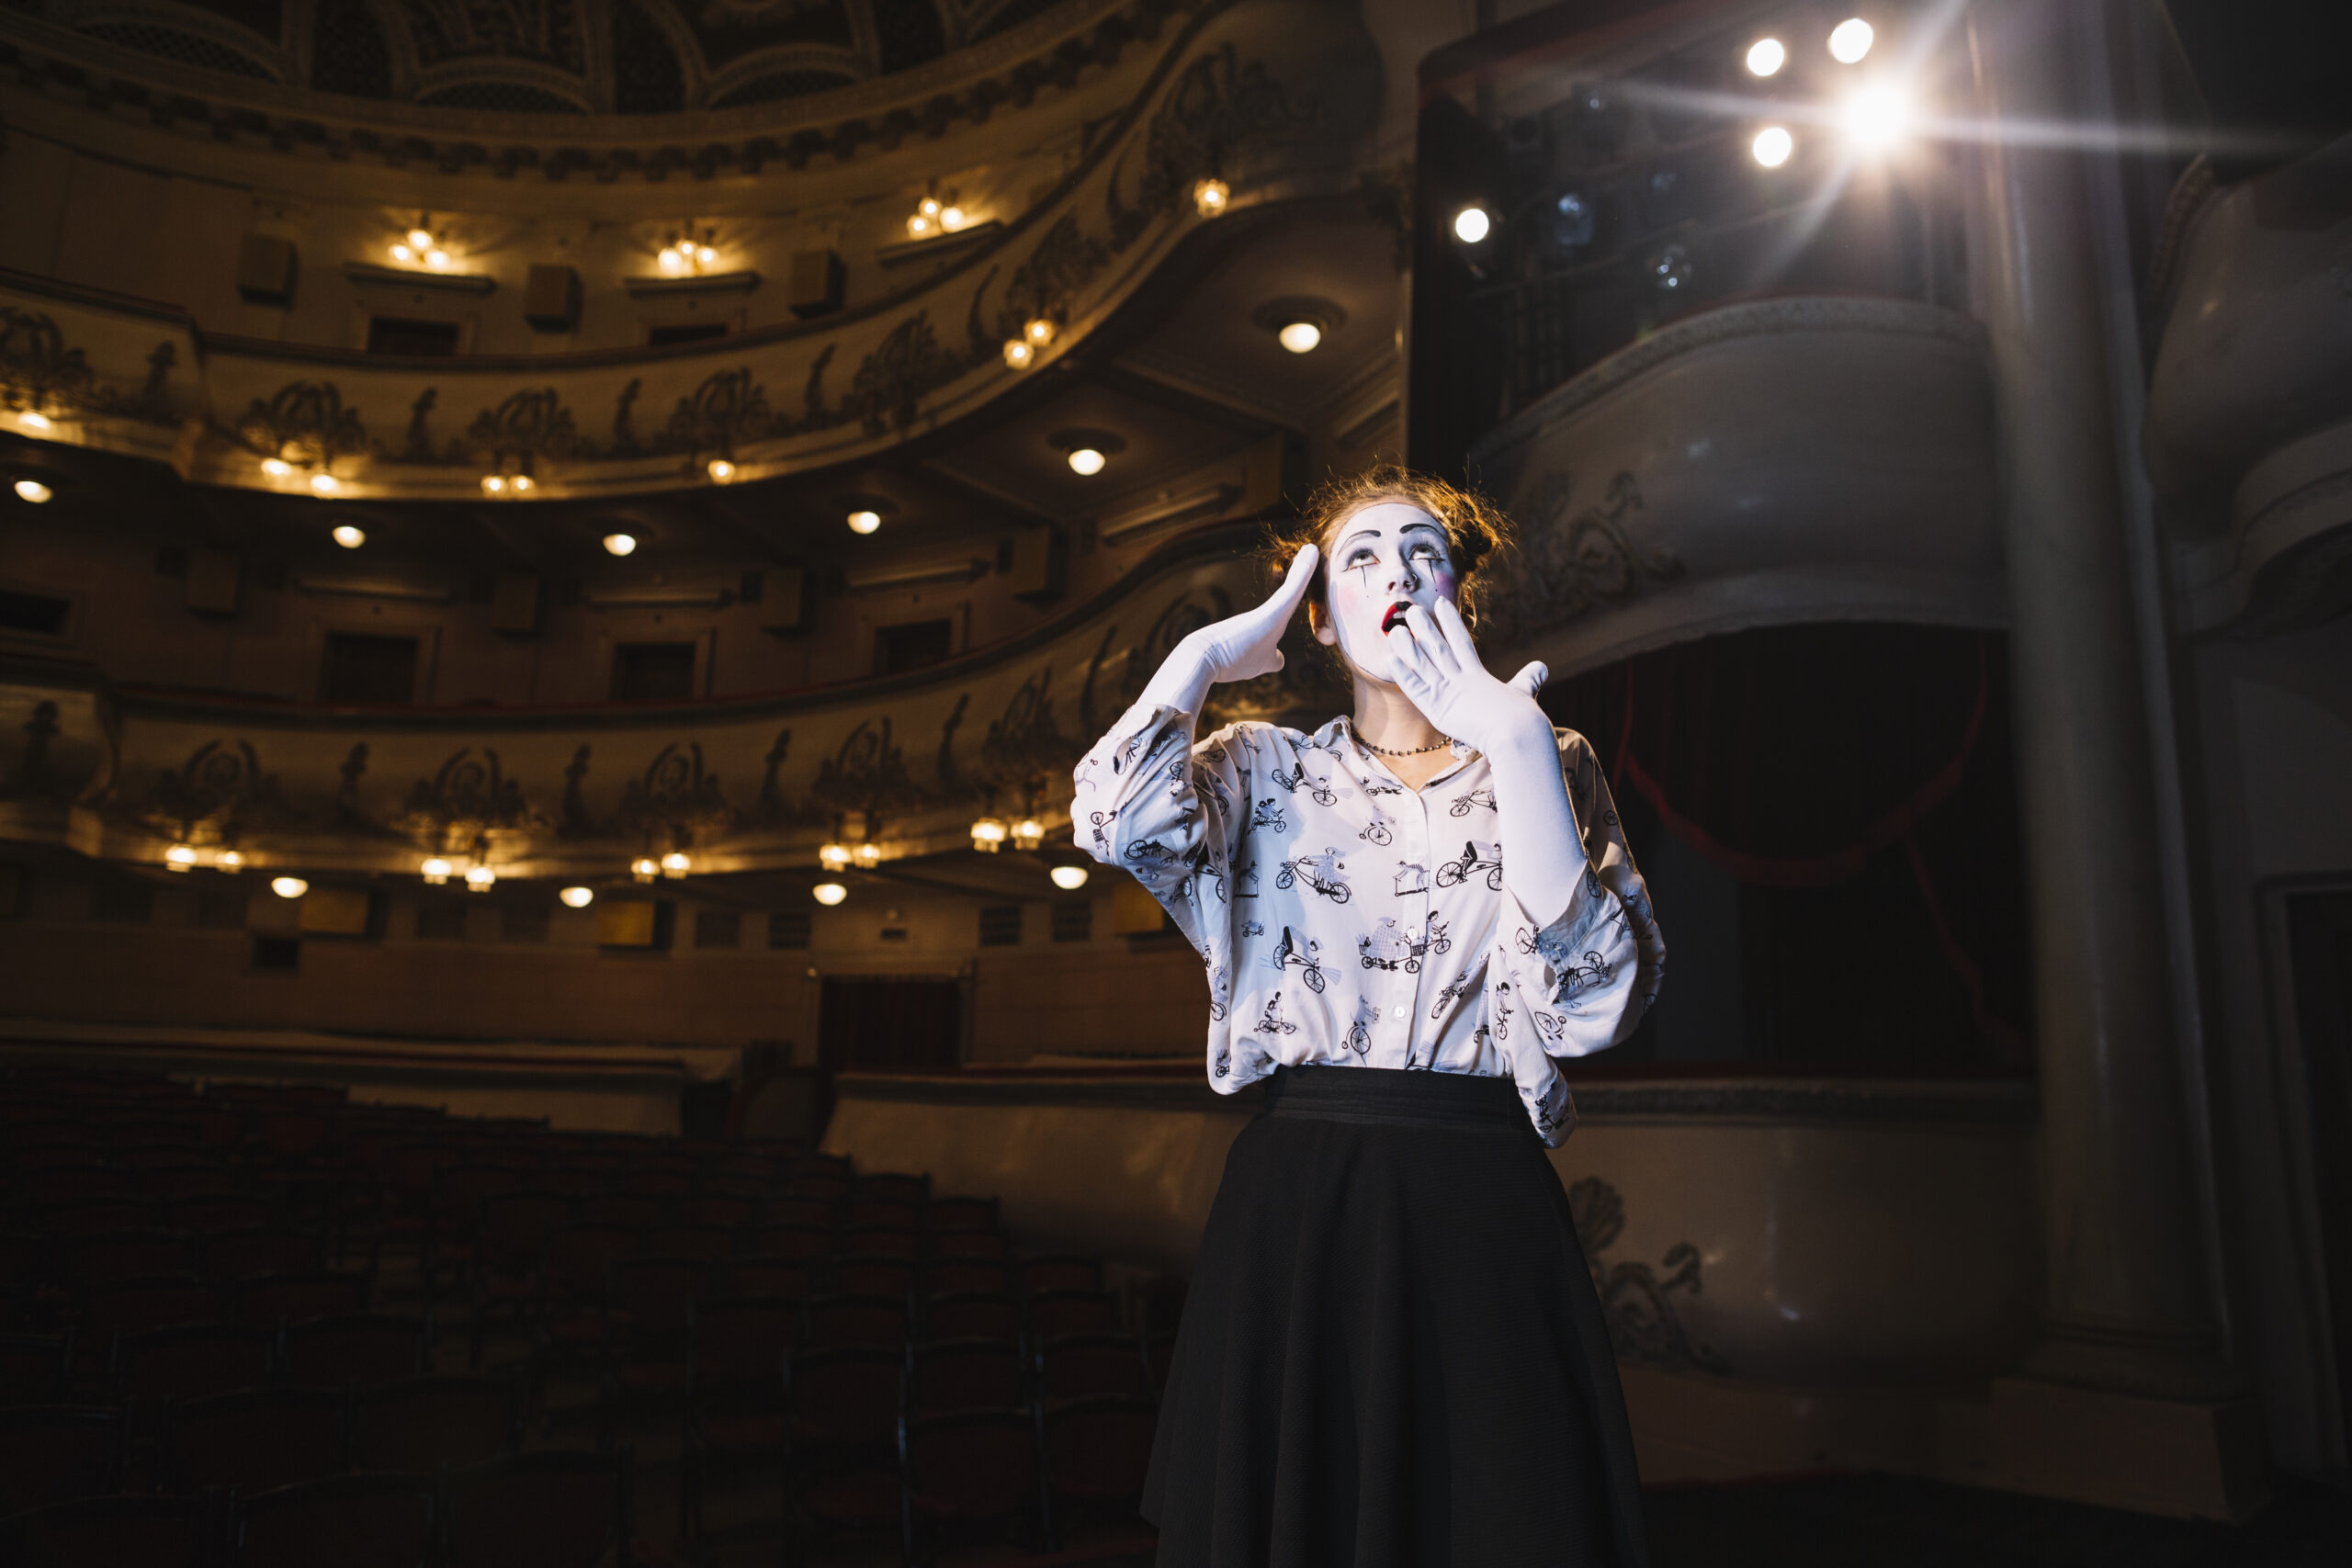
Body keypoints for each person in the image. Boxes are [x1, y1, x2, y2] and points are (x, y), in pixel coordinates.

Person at [1070, 466, 1665, 1567]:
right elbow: (1112, 818)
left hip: (1484, 1199)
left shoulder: (1551, 760)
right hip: (1305, 1202)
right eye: (1358, 556)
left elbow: (1591, 1013)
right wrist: (1204, 659)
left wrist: (1519, 744)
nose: (1394, 569)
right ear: (1320, 618)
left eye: (1422, 551)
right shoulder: (1261, 769)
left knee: (1500, 1521)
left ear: (1458, 597)